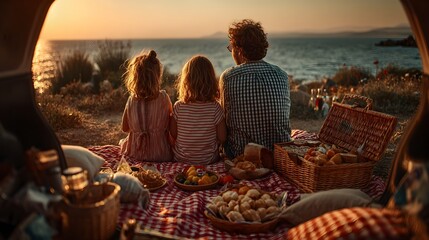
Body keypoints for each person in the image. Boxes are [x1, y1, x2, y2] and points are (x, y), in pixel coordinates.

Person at [220, 19, 291, 159]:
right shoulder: (282, 75)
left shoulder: (228, 77)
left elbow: (225, 120)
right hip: (280, 154)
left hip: (242, 156)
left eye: (231, 48)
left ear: (239, 50)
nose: (231, 52)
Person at [170, 55, 227, 165]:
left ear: (186, 81)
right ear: (211, 80)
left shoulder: (178, 107)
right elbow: (223, 137)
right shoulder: (215, 108)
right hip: (208, 161)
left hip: (181, 160)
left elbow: (173, 134)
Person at [119, 50, 173, 162]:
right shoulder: (163, 98)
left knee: (122, 142)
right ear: (157, 76)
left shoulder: (131, 100)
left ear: (134, 77)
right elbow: (170, 126)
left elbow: (124, 128)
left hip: (135, 153)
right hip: (161, 155)